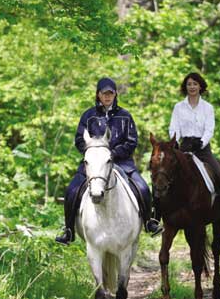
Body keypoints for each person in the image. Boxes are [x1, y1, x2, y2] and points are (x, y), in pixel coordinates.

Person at [55, 77, 163, 244]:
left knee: (142, 188)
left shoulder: (125, 116)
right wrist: (95, 153)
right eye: (104, 93)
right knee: (71, 190)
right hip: (94, 164)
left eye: (110, 93)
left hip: (122, 162)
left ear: (115, 94)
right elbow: (79, 140)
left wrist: (113, 153)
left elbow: (132, 141)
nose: (107, 96)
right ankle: (68, 230)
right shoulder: (88, 116)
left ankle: (149, 222)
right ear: (98, 94)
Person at [166, 72, 220, 230]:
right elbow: (173, 127)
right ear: (185, 87)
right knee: (163, 172)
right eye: (189, 84)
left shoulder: (208, 108)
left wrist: (201, 142)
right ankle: (157, 213)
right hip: (183, 147)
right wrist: (175, 142)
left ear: (200, 86)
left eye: (195, 84)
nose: (192, 87)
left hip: (202, 148)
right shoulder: (178, 107)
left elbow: (209, 129)